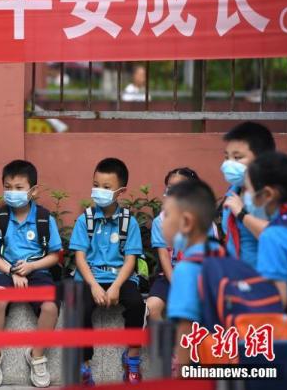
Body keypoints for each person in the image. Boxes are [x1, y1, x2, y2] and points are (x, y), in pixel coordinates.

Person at [0, 160, 61, 388]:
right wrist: (12, 271)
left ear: (33, 190)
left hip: (37, 271)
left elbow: (55, 256)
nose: (12, 192)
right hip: (5, 269)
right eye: (8, 187)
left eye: (19, 187)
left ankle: (36, 356)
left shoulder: (45, 219)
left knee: (50, 307)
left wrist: (31, 267)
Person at [69, 158, 145, 386]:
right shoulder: (85, 220)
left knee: (137, 305)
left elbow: (130, 259)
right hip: (89, 277)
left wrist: (116, 287)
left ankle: (132, 358)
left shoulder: (129, 223)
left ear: (121, 191)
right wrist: (93, 285)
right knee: (79, 307)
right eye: (96, 185)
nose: (99, 191)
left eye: (106, 187)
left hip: (119, 277)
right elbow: (80, 257)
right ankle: (84, 364)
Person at [247, 152, 287, 389]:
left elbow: (276, 299)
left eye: (248, 190)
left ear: (268, 194)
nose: (247, 198)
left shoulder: (273, 236)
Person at [146, 167, 219, 322]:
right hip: (169, 276)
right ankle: (165, 337)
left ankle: (194, 337)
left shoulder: (205, 223)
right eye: (170, 187)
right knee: (151, 307)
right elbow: (164, 256)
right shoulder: (160, 221)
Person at [162, 179, 220, 368]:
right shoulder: (223, 255)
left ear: (186, 222)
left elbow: (186, 330)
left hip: (201, 365)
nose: (162, 222)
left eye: (166, 215)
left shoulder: (186, 268)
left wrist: (181, 371)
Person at [220, 121, 275, 268]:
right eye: (227, 157)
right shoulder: (234, 190)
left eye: (237, 158)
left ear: (262, 159)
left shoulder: (271, 195)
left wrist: (242, 214)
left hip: (266, 277)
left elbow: (279, 238)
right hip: (237, 276)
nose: (229, 164)